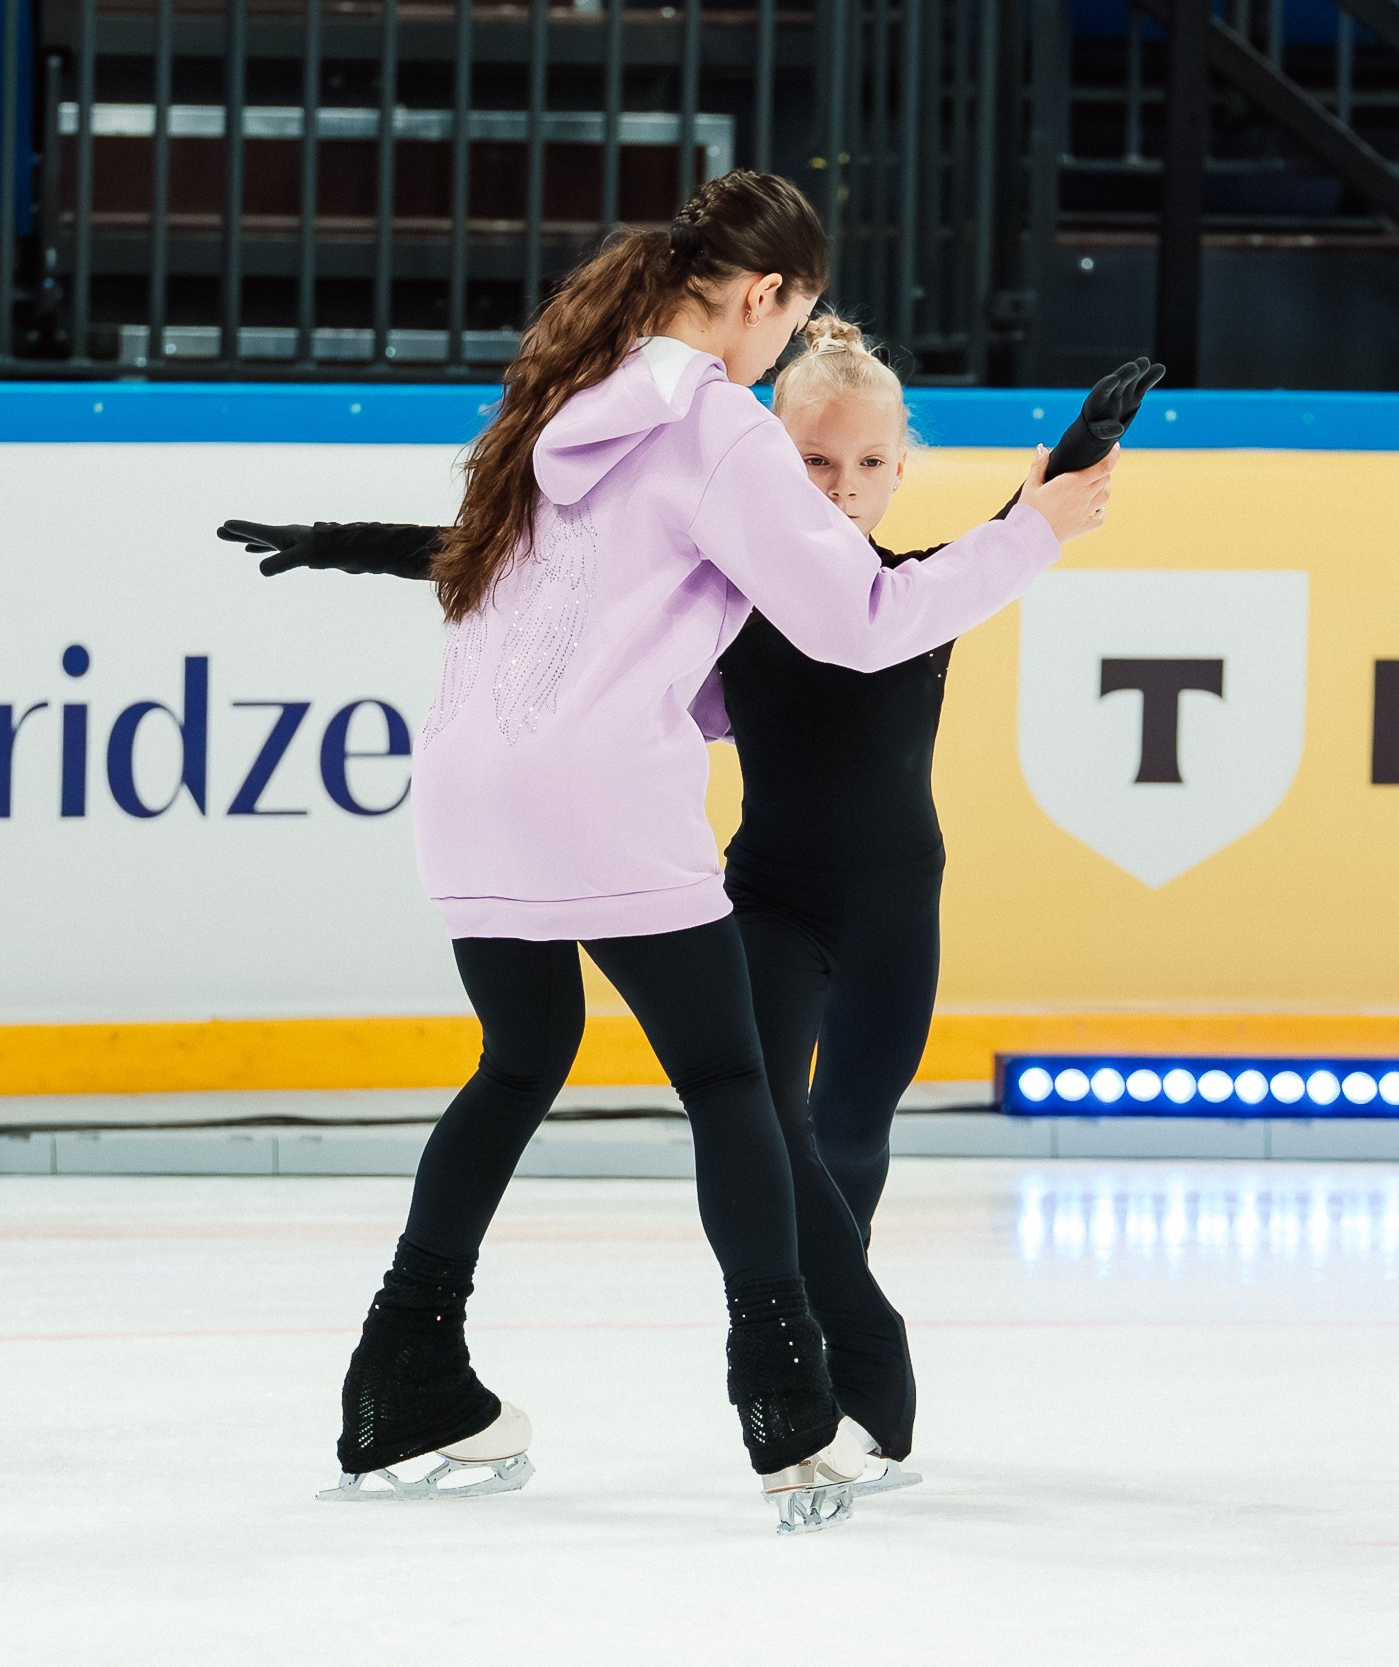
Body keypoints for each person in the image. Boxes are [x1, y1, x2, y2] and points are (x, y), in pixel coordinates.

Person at [281, 171, 1116, 1535]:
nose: (778, 357)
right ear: (761, 295)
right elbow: (857, 621)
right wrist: (1036, 535)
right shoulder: (718, 428)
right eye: (785, 326)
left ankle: (403, 1379)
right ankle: (789, 1407)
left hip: (471, 786)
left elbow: (507, 580)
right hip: (604, 795)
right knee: (732, 1084)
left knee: (518, 1062)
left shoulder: (561, 396)